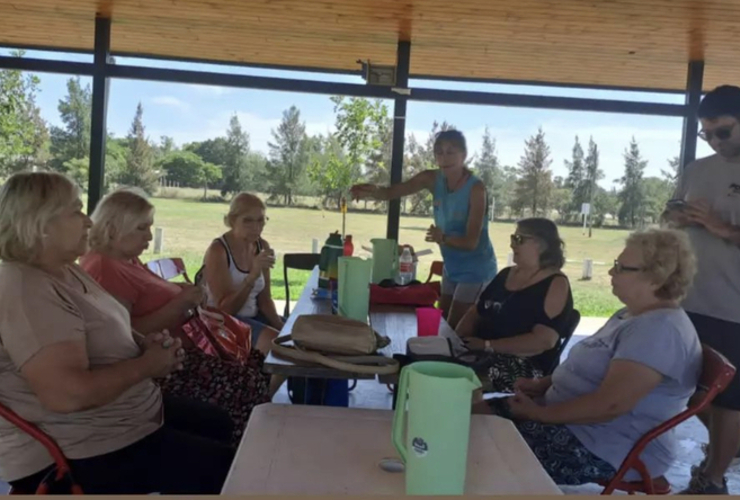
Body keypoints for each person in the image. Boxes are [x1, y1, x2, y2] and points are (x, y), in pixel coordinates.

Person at [0, 172, 235, 494]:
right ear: (40, 224)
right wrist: (148, 365)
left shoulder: (65, 270)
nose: (88, 222)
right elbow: (67, 394)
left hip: (122, 419)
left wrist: (145, 346)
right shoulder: (25, 287)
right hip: (83, 448)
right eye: (75, 211)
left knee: (218, 423)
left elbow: (114, 327)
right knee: (241, 470)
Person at [473, 228, 702, 487]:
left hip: (601, 444)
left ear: (656, 278)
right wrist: (543, 384)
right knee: (466, 416)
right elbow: (587, 368)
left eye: (621, 267)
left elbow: (609, 406)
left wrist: (538, 415)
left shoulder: (661, 331)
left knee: (479, 447)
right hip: (567, 420)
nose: (611, 272)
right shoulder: (631, 315)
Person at [80, 188, 272, 446]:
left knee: (256, 364)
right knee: (249, 382)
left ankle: (244, 450)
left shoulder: (126, 259)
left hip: (188, 346)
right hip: (166, 366)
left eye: (150, 227)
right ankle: (238, 458)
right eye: (141, 228)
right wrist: (180, 304)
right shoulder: (105, 267)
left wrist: (180, 292)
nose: (149, 236)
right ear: (113, 229)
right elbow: (123, 334)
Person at [662, 84, 740, 494]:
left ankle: (712, 479)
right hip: (688, 299)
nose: (713, 141)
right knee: (688, 390)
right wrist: (677, 216)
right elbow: (669, 210)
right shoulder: (697, 170)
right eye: (706, 134)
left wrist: (720, 227)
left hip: (735, 308)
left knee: (729, 400)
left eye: (723, 132)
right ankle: (726, 450)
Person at [350, 129, 497, 328]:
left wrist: (442, 237)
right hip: (451, 267)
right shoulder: (431, 178)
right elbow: (394, 191)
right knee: (441, 323)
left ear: (464, 155)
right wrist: (372, 191)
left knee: (453, 330)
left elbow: (471, 242)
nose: (444, 158)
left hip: (476, 270)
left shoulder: (476, 189)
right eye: (439, 152)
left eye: (450, 152)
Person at [455, 218, 573, 393]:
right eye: (513, 238)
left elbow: (543, 341)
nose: (512, 245)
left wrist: (488, 345)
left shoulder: (556, 284)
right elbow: (475, 311)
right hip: (482, 355)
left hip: (524, 369)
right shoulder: (506, 274)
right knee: (432, 363)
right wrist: (457, 341)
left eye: (519, 239)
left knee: (454, 380)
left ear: (541, 245)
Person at [201, 192, 284, 347]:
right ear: (232, 221)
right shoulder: (218, 250)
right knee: (277, 346)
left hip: (253, 316)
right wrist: (252, 277)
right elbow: (225, 309)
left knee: (300, 335)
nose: (256, 227)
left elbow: (265, 300)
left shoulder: (261, 247)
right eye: (248, 221)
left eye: (261, 220)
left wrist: (281, 326)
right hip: (221, 323)